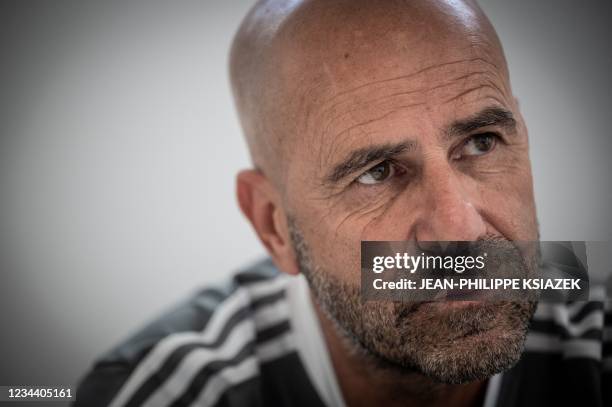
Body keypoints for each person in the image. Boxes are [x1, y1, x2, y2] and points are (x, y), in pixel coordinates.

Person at [74, 0, 611, 406]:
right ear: (273, 226)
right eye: (377, 173)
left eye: (481, 142)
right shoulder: (156, 393)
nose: (461, 229)